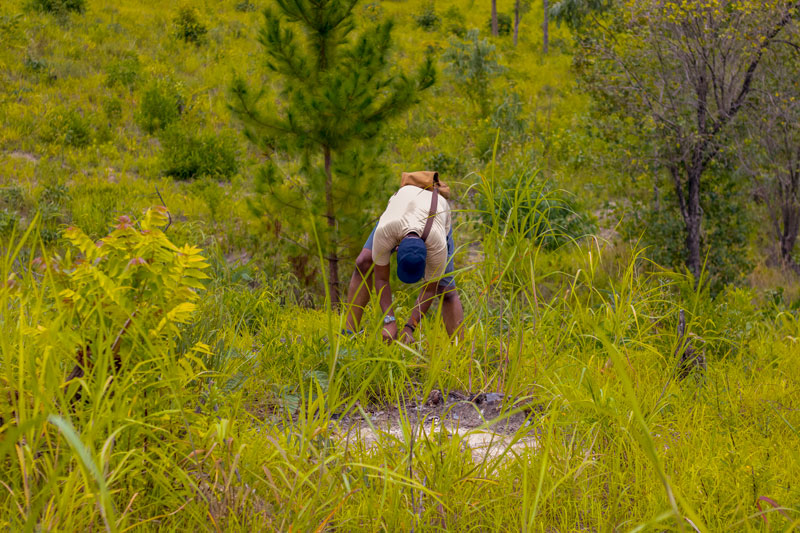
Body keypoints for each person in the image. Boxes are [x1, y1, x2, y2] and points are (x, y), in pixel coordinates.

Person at [343, 173, 464, 343]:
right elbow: (382, 278)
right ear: (396, 248)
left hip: (435, 214)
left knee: (445, 287)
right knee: (363, 261)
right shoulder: (386, 232)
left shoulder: (437, 246)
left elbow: (429, 288)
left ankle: (463, 355)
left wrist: (410, 327)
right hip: (400, 211)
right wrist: (389, 320)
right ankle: (348, 334)